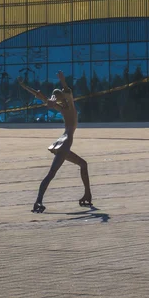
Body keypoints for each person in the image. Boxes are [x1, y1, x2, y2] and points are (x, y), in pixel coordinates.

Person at [17, 71, 92, 213]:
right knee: (51, 173)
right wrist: (63, 82)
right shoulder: (67, 106)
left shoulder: (64, 107)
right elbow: (57, 95)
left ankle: (87, 194)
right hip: (65, 143)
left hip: (63, 142)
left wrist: (24, 86)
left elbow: (42, 96)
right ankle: (38, 201)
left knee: (83, 164)